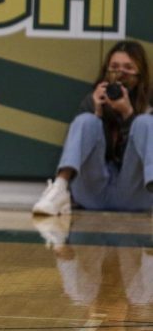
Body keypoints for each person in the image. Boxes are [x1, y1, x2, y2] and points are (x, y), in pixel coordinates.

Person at [32, 40, 152, 215]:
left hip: (134, 195)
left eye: (129, 67)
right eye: (115, 66)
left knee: (145, 123)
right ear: (106, 71)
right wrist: (97, 113)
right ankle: (59, 189)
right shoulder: (93, 100)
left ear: (140, 72)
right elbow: (75, 147)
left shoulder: (149, 104)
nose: (121, 73)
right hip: (93, 194)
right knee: (86, 121)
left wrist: (128, 115)